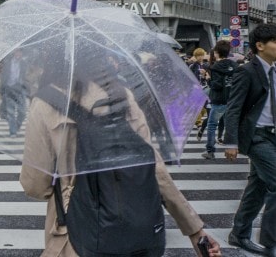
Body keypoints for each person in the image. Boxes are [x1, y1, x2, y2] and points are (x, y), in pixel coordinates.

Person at [20, 51, 221, 257]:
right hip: (132, 227)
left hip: (74, 231)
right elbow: (155, 170)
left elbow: (35, 185)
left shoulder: (45, 103)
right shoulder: (122, 96)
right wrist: (195, 231)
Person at [224, 23, 276, 257]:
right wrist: (231, 142)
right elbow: (233, 108)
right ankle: (270, 240)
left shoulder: (274, 70)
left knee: (259, 187)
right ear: (260, 45)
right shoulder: (246, 71)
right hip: (256, 136)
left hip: (273, 135)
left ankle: (239, 233)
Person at [202, 41, 238, 159]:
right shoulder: (234, 66)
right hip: (232, 99)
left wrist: (208, 79)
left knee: (212, 125)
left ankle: (210, 151)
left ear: (217, 53)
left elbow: (216, 86)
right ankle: (233, 148)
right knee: (229, 125)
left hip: (219, 100)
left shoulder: (216, 67)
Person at [0, 49, 28, 137]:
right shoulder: (7, 63)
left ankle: (16, 126)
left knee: (22, 112)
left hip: (20, 90)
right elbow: (3, 77)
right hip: (9, 89)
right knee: (11, 113)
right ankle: (13, 132)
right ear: (14, 53)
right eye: (17, 52)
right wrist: (2, 90)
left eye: (20, 52)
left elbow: (27, 76)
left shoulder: (24, 63)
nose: (19, 53)